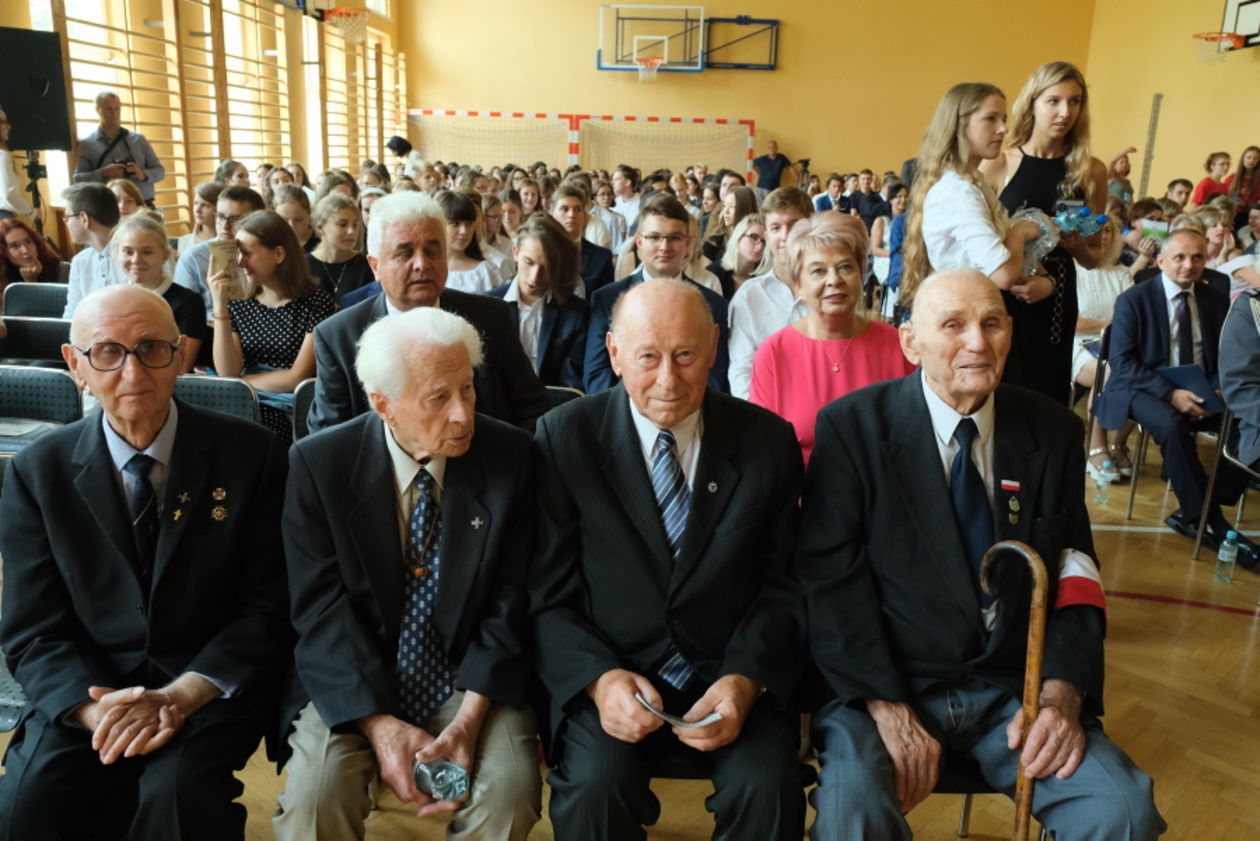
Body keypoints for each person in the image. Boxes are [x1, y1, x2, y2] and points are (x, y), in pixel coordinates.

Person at [798, 266, 1164, 840]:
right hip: (885, 688)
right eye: (953, 324)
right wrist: (885, 706)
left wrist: (1062, 691)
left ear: (1010, 335)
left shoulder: (1052, 431)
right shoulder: (853, 428)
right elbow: (828, 581)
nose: (977, 341)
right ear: (910, 342)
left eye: (992, 323)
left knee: (1121, 812)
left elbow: (1075, 571)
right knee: (851, 821)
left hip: (1014, 693)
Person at [0, 284, 290, 841]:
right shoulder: (39, 474)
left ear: (181, 355)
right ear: (75, 365)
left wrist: (183, 693)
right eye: (107, 352)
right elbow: (33, 629)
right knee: (27, 805)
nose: (133, 373)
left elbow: (271, 606)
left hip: (202, 684)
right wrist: (97, 714)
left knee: (177, 801)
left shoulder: (253, 456)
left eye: (152, 349)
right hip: (88, 689)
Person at [533, 278, 807, 841]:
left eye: (685, 356)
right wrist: (599, 680)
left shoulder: (767, 441)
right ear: (613, 353)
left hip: (730, 672)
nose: (667, 380)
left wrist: (745, 680)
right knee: (592, 793)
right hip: (612, 671)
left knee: (768, 791)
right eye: (647, 358)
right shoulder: (564, 439)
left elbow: (786, 585)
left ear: (713, 345)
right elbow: (544, 594)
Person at [274, 306, 543, 840]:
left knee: (509, 794)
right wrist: (378, 726)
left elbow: (510, 603)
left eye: (467, 389)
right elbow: (321, 612)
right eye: (438, 398)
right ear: (384, 405)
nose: (464, 413)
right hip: (354, 673)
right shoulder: (319, 464)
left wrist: (467, 724)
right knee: (315, 797)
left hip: (471, 680)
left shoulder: (511, 456)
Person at [305, 191, 549, 433]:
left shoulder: (490, 317)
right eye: (404, 253)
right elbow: (329, 440)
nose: (422, 264)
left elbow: (533, 412)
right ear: (375, 266)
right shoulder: (338, 337)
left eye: (433, 251)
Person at [1093, 228, 1260, 562]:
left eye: (1197, 257)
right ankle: (1208, 519)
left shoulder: (1214, 298)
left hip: (1199, 386)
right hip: (1142, 386)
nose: (1188, 265)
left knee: (1246, 418)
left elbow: (1223, 354)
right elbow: (1122, 363)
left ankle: (1211, 495)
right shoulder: (1133, 299)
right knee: (1171, 425)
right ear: (1160, 261)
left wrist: (1214, 387)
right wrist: (1171, 394)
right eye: (1179, 257)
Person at [979, 61, 1108, 406]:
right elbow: (978, 246)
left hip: (1057, 301)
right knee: (998, 392)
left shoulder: (1090, 170)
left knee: (1044, 397)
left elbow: (1094, 258)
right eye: (1054, 101)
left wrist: (1077, 246)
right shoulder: (999, 163)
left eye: (1074, 101)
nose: (1065, 112)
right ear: (1033, 103)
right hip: (1002, 293)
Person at [750, 214, 915, 464]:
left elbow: (915, 435)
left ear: (862, 273)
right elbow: (764, 451)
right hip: (803, 496)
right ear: (799, 285)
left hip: (885, 494)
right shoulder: (774, 353)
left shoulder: (896, 344)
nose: (834, 280)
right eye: (818, 271)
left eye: (845, 267)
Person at [583, 193, 731, 394]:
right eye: (654, 237)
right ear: (639, 243)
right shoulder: (606, 300)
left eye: (675, 238)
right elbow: (597, 374)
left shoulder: (714, 306)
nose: (664, 247)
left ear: (687, 244)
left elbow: (714, 376)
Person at [210, 210, 336, 442]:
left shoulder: (317, 303)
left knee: (255, 430)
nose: (240, 262)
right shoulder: (240, 303)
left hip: (292, 406)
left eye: (247, 253)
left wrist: (240, 384)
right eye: (238, 254)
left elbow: (296, 377)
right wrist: (220, 306)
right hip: (249, 402)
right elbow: (227, 372)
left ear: (278, 254)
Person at [727, 187, 814, 400]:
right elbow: (741, 373)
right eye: (776, 228)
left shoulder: (828, 290)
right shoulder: (749, 297)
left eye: (794, 225)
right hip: (766, 414)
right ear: (766, 236)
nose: (785, 236)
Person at [487, 214, 587, 389]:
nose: (535, 278)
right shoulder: (488, 304)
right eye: (529, 263)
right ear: (516, 253)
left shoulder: (575, 313)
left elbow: (570, 384)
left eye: (546, 267)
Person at [1072, 215, 1136, 480]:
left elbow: (1133, 317)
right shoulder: (1071, 269)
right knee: (1110, 372)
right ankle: (1096, 444)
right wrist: (1110, 324)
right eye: (1098, 229)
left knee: (1144, 370)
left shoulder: (1121, 274)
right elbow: (1072, 322)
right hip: (1076, 345)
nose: (1104, 235)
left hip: (1116, 344)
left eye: (1109, 229)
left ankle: (1117, 442)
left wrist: (1113, 329)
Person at [113, 213, 205, 371]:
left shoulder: (189, 302)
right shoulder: (112, 300)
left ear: (164, 255)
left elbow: (181, 367)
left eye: (146, 252)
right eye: (128, 252)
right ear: (117, 254)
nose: (136, 259)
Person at [173, 185, 266, 317]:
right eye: (221, 217)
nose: (225, 226)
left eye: (236, 219)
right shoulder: (193, 258)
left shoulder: (267, 254)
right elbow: (182, 313)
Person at [73, 91, 165, 206]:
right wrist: (104, 173)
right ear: (98, 110)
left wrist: (143, 173)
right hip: (110, 210)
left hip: (144, 207)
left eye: (117, 109)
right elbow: (78, 179)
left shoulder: (138, 139)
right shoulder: (87, 144)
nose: (114, 113)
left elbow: (161, 172)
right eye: (109, 109)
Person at [61, 182, 125, 318]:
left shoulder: (134, 256)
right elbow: (72, 315)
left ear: (84, 219)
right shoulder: (80, 261)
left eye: (67, 217)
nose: (66, 223)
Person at [550, 182, 614, 296]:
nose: (571, 215)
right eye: (564, 209)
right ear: (552, 215)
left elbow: (604, 304)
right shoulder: (542, 253)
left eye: (577, 209)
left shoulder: (602, 258)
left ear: (584, 215)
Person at [435, 190, 503, 295]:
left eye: (468, 224)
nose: (464, 231)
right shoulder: (427, 267)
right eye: (455, 224)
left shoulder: (484, 272)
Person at [306, 192, 372, 301]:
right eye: (343, 224)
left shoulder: (367, 265)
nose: (351, 231)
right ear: (320, 227)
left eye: (355, 225)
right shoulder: (303, 267)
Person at [707, 213, 771, 300]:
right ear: (738, 237)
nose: (760, 246)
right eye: (754, 237)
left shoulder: (766, 280)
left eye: (764, 241)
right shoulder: (713, 274)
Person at [0, 217, 68, 295]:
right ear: (3, 252)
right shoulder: (2, 276)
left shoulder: (61, 269)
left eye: (28, 241)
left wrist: (31, 281)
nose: (25, 250)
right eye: (14, 246)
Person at [870, 183, 909, 301]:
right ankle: (893, 305)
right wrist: (896, 254)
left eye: (906, 196)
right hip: (885, 258)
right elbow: (875, 249)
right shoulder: (881, 221)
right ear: (891, 200)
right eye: (899, 196)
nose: (903, 199)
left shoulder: (910, 220)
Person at [702, 186, 757, 264]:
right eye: (724, 206)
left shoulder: (757, 241)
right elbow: (704, 273)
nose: (725, 211)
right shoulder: (715, 241)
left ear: (745, 209)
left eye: (731, 206)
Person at [0, 106, 33, 221]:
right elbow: (9, 195)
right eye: (3, 122)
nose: (9, 126)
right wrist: (31, 213)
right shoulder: (2, 156)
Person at [177, 182, 223, 256]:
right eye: (195, 203)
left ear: (219, 208)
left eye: (205, 205)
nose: (197, 210)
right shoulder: (184, 241)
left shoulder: (227, 243)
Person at [272, 183, 320, 254]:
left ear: (309, 213)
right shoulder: (272, 243)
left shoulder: (321, 242)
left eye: (298, 219)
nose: (292, 226)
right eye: (284, 220)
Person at [1224, 145, 1260, 213]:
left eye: (1255, 158)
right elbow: (1228, 195)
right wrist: (1238, 200)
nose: (1251, 161)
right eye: (1249, 157)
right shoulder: (1231, 178)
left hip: (1254, 215)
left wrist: (1246, 205)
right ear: (1243, 158)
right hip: (1233, 214)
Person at [612, 165, 642, 232]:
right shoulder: (612, 203)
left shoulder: (640, 203)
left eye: (616, 179)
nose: (613, 183)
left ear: (627, 182)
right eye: (613, 180)